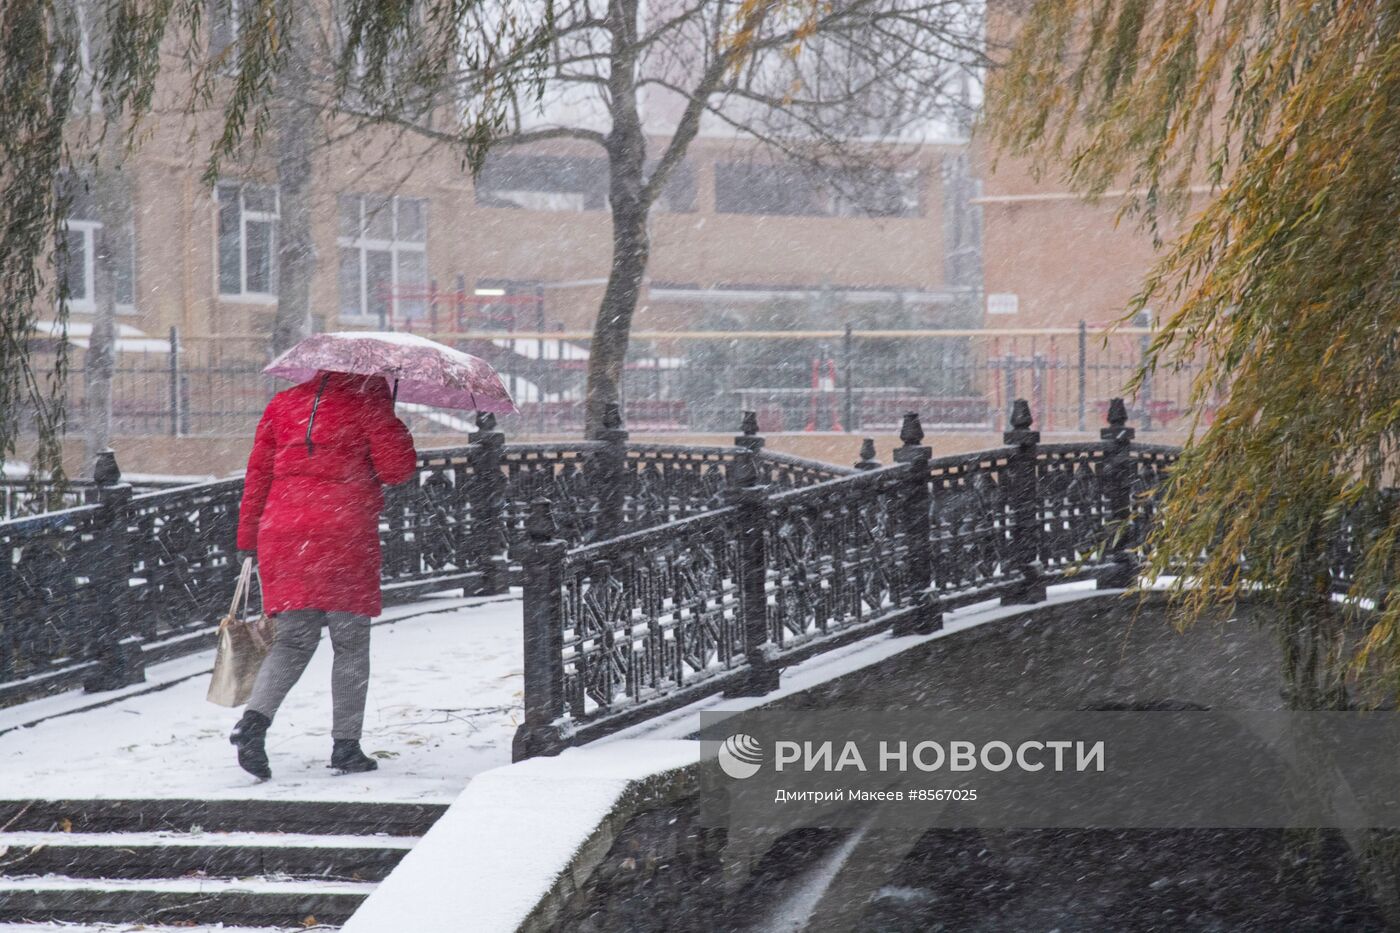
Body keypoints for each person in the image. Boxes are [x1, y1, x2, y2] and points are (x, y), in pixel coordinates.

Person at [230, 370, 417, 780]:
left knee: (293, 641)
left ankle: (253, 724)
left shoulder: (283, 403)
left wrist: (247, 538)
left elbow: (257, 475)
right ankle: (346, 746)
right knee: (349, 644)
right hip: (342, 533)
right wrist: (391, 422)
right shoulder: (368, 401)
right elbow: (396, 470)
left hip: (283, 534)